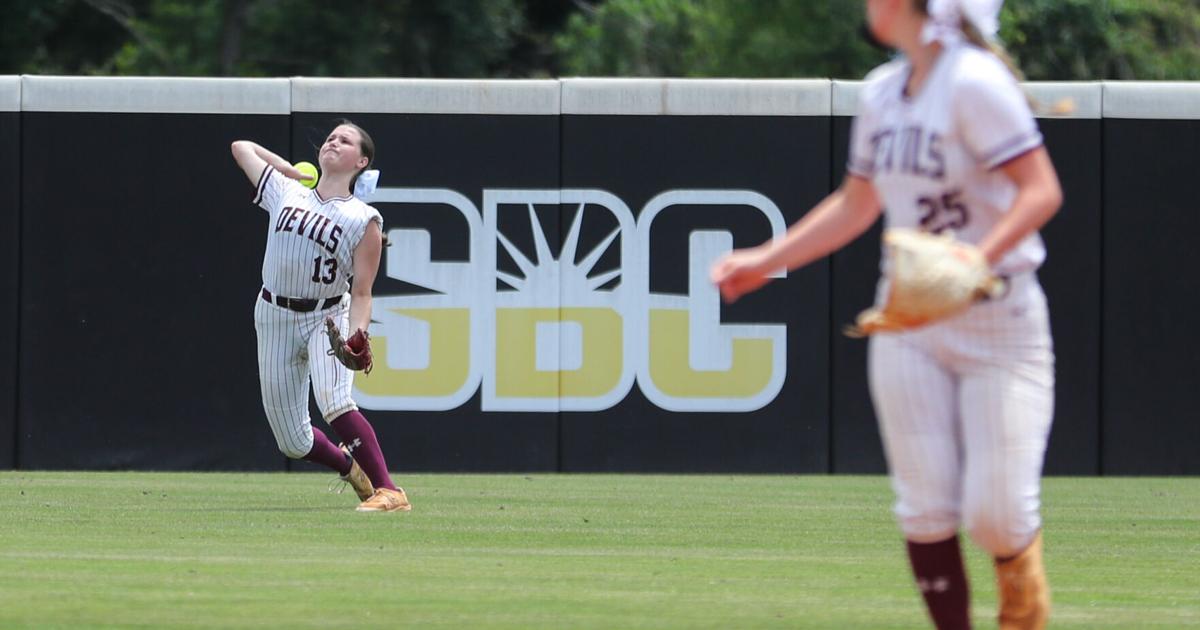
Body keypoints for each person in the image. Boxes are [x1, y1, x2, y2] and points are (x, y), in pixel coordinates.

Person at [711, 1, 1061, 628]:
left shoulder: (974, 81)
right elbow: (856, 203)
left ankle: (1023, 601)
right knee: (924, 506)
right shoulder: (882, 93)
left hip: (999, 320)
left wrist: (977, 256)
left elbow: (1042, 189)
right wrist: (768, 258)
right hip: (909, 320)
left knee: (996, 514)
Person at [230, 120, 411, 513]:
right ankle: (349, 466)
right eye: (331, 136)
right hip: (273, 314)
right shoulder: (286, 190)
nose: (333, 141)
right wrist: (290, 171)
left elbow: (362, 292)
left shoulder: (364, 219)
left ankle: (390, 490)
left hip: (326, 317)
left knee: (334, 399)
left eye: (345, 141)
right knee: (292, 442)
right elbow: (242, 146)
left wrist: (357, 335)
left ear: (361, 162)